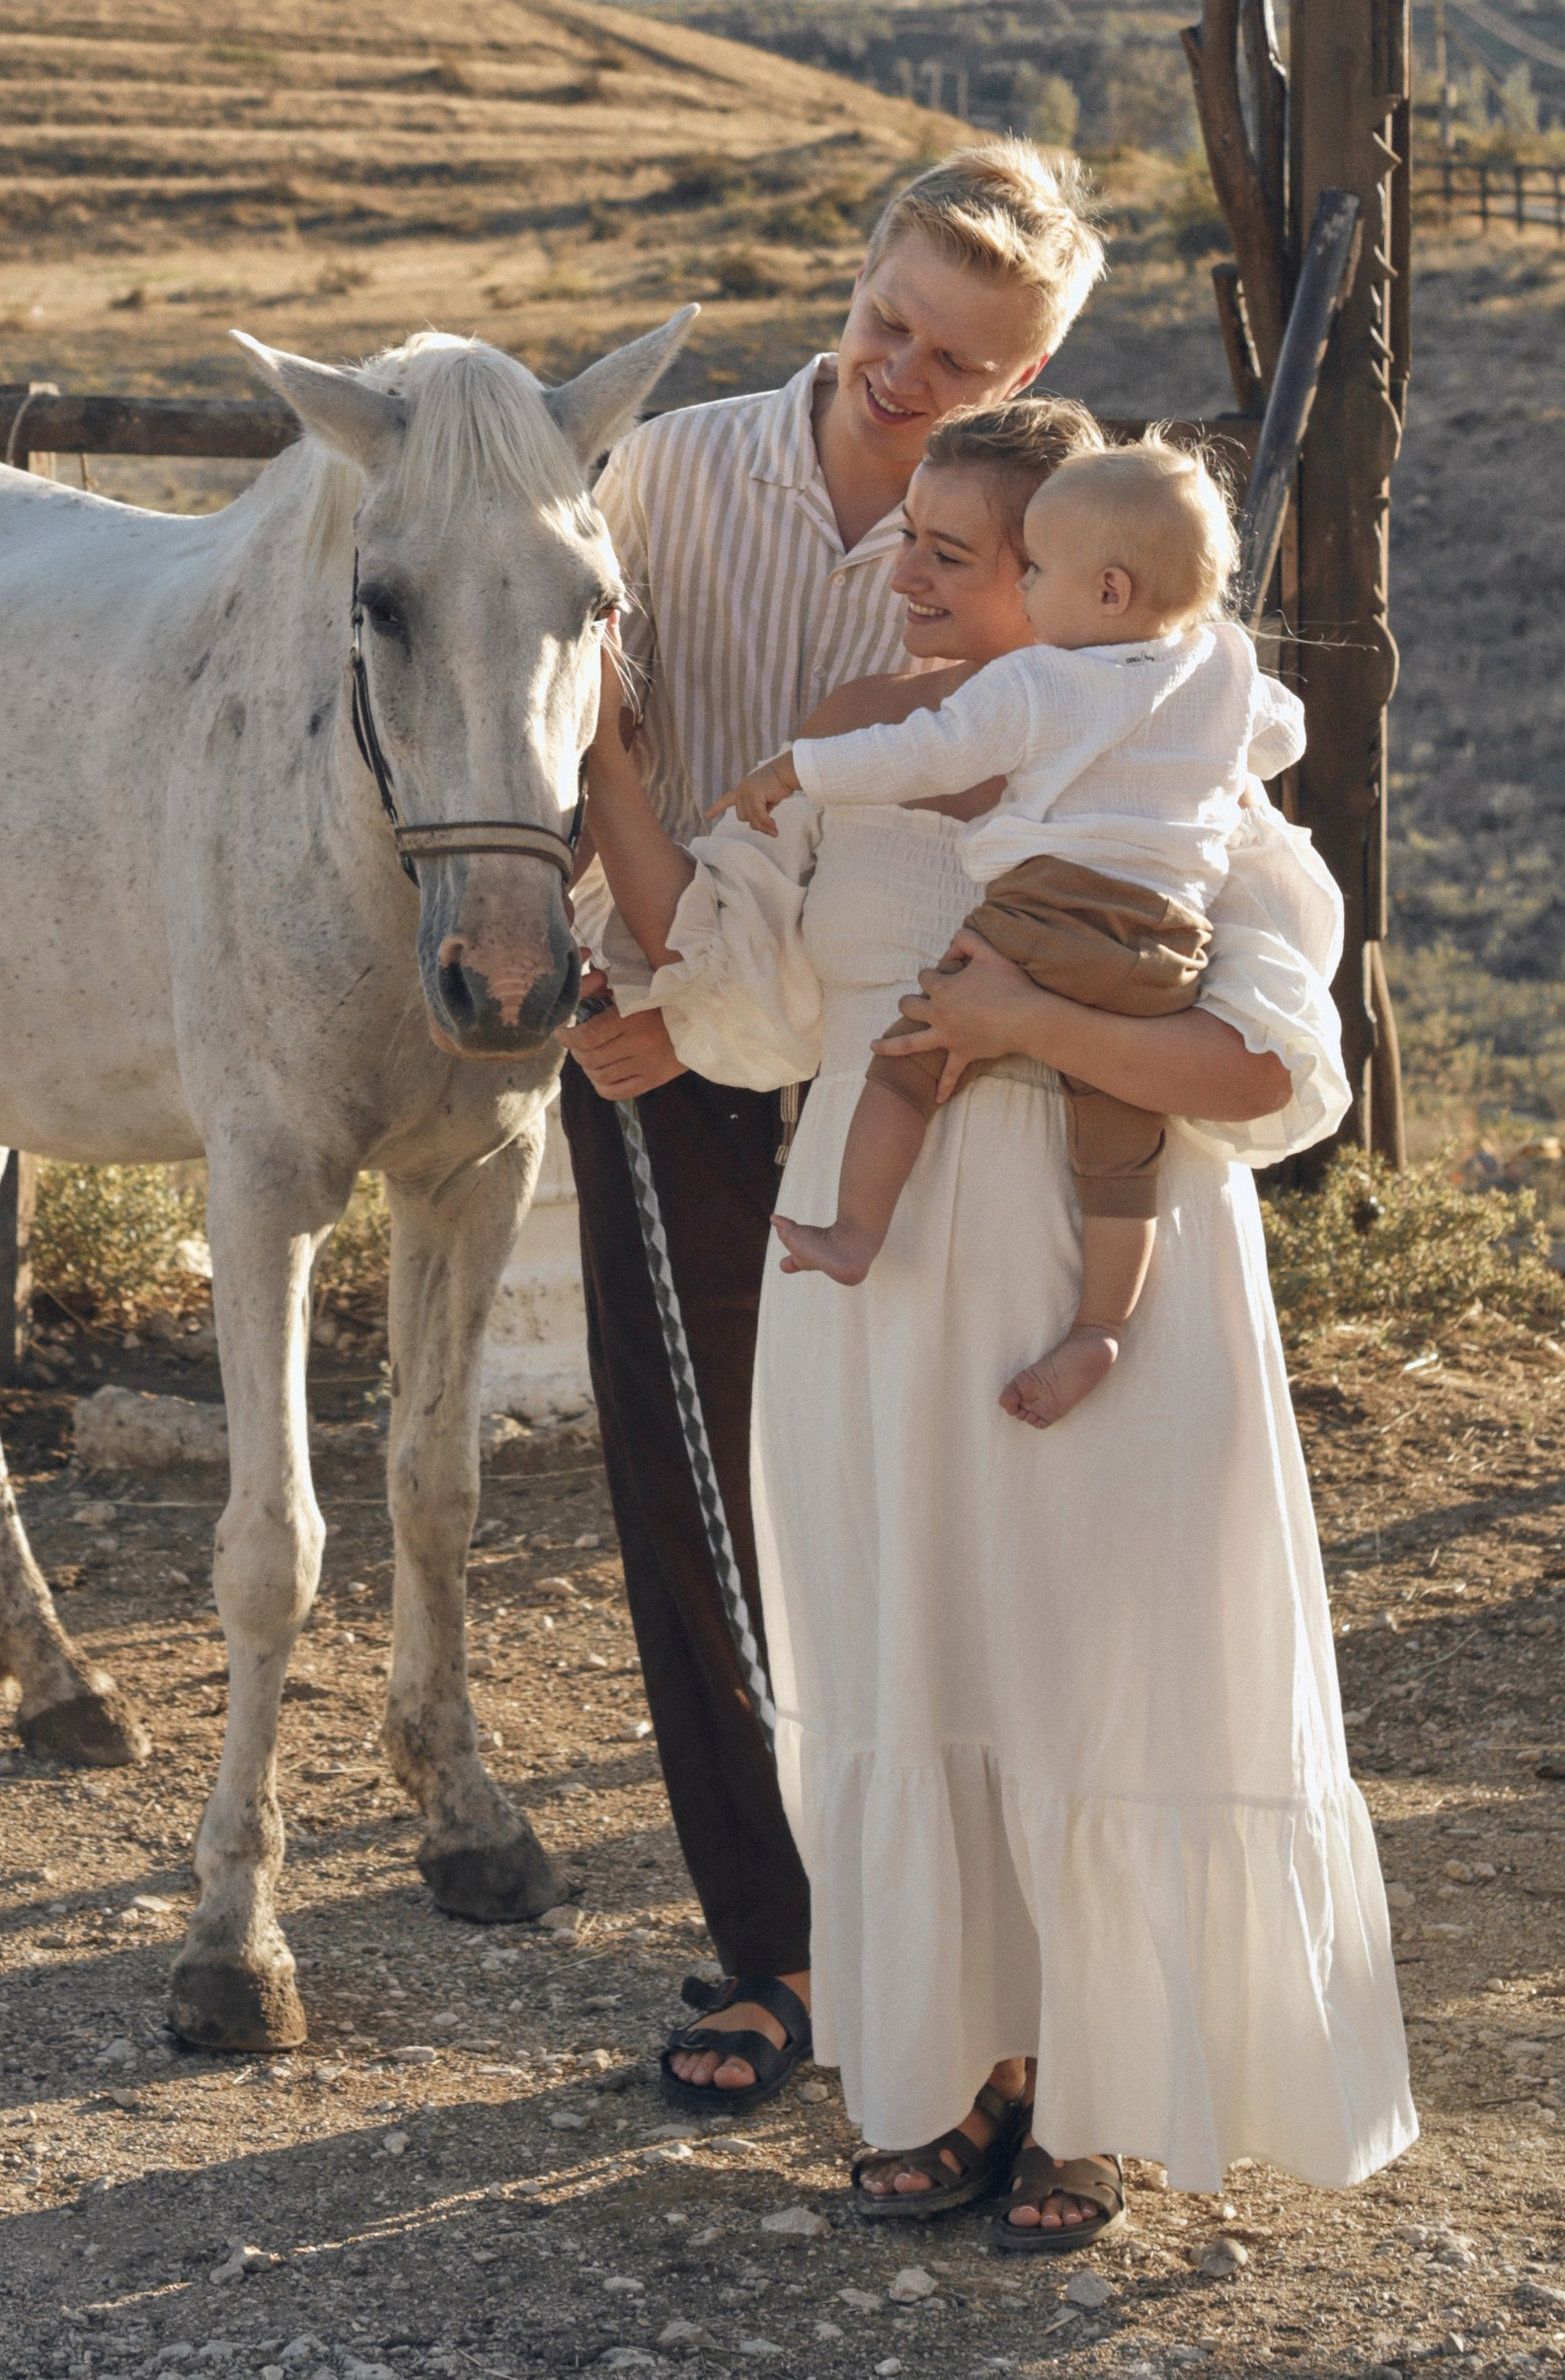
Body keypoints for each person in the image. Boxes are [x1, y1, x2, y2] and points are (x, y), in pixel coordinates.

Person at [582, 399, 1415, 2249]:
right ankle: (950, 2066)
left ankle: (1092, 2092)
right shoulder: (863, 759)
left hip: (1107, 1272)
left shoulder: (1198, 803)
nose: (912, 581)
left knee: (1090, 1671)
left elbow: (1275, 1071)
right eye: (918, 546)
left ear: (1077, 590)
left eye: (960, 556)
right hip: (874, 1294)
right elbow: (739, 1014)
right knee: (910, 1669)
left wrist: (1036, 1031)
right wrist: (618, 780)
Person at [562, 144, 1104, 2110]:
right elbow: (558, 729)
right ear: (854, 285)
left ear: (1033, 368)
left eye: (966, 363)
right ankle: (772, 1947)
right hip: (669, 1032)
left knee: (936, 1520)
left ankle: (983, 1960)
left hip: (955, 1070)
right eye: (892, 326)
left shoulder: (1062, 519)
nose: (908, 378)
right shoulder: (663, 471)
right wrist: (603, 991)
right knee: (700, 1505)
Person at [731, 438, 1306, 1428]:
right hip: (1157, 942)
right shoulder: (1222, 664)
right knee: (1120, 1152)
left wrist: (799, 770)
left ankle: (856, 1229)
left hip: (1045, 917)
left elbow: (921, 753)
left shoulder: (1032, 687)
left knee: (914, 1055)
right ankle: (1100, 1326)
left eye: (1013, 565)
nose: (907, 572)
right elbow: (1280, 731)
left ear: (1106, 589)